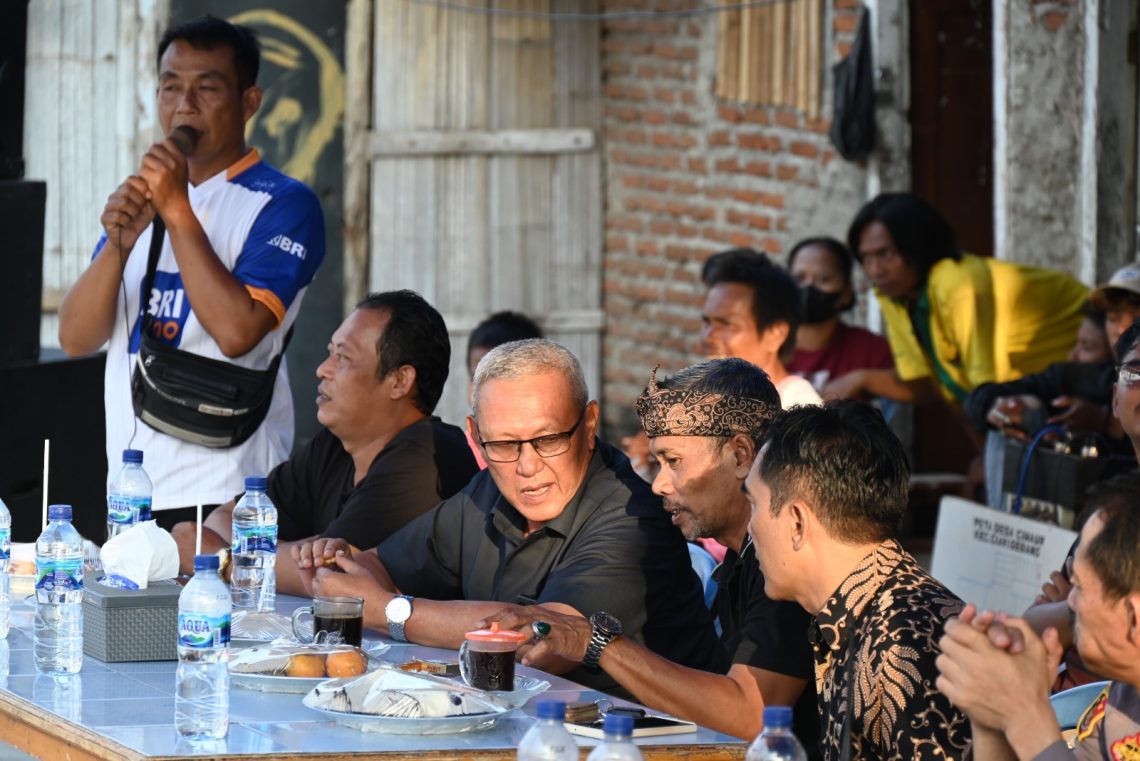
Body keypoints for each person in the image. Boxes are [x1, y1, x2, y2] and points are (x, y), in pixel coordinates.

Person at [292, 339, 724, 692]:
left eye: (548, 439)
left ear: (590, 425)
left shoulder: (631, 518)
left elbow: (542, 641)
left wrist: (391, 612)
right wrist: (346, 571)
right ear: (477, 439)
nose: (527, 465)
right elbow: (375, 563)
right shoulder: (489, 490)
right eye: (502, 445)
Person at [57, 16, 326, 529]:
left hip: (227, 490)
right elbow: (75, 338)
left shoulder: (285, 204)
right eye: (170, 86)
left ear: (250, 102)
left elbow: (236, 332)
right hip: (130, 486)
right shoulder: (146, 194)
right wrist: (119, 244)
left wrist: (177, 210)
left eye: (207, 87)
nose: (185, 104)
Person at [478, 359, 821, 755]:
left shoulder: (785, 564)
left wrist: (599, 643)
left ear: (742, 455)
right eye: (657, 463)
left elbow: (751, 716)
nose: (658, 484)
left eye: (673, 461)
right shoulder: (740, 561)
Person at [170, 290, 479, 592]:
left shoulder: (429, 455)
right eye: (330, 353)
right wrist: (293, 552)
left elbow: (331, 577)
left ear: (399, 381)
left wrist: (223, 560)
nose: (322, 369)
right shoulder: (333, 446)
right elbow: (224, 519)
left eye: (342, 357)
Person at [744, 401, 970, 759]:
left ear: (797, 522)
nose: (750, 526)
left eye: (754, 504)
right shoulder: (863, 612)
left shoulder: (904, 645)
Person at [826, 193, 1087, 406]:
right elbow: (941, 386)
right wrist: (861, 379)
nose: (875, 270)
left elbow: (988, 391)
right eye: (866, 258)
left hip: (1093, 366)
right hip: (1039, 391)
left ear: (917, 245)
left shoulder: (957, 283)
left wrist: (985, 457)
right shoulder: (893, 294)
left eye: (885, 254)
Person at [935, 488, 1140, 760]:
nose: (1070, 605)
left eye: (1078, 586)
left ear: (1134, 615)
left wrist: (1026, 713)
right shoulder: (1123, 698)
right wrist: (992, 719)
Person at [700, 248, 822, 408]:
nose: (708, 336)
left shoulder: (796, 412)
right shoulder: (710, 396)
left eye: (726, 324)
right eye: (707, 322)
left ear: (776, 334)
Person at [785, 237, 894, 395]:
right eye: (799, 278)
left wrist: (861, 379)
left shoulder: (868, 349)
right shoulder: (761, 345)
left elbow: (919, 386)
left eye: (823, 279)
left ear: (846, 293)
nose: (808, 288)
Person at [464, 311, 544, 468]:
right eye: (476, 377)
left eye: (496, 377)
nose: (484, 391)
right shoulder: (461, 453)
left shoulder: (551, 451)